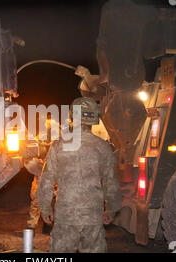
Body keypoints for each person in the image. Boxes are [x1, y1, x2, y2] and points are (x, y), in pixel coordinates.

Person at [37, 97, 122, 253]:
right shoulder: (103, 147)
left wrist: (45, 208)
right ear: (94, 118)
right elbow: (111, 183)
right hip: (92, 217)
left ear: (72, 117)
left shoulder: (58, 146)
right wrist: (111, 210)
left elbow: (47, 181)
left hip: (66, 217)